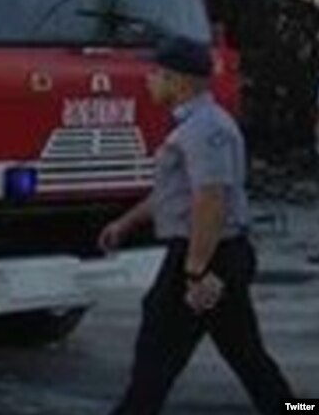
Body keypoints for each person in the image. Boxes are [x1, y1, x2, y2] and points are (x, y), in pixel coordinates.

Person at [100, 36, 296, 414]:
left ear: (179, 81)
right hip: (215, 257)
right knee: (246, 356)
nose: (148, 81)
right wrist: (125, 223)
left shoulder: (204, 130)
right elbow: (177, 194)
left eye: (155, 74)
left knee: (158, 351)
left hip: (206, 257)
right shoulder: (194, 126)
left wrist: (195, 270)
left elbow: (210, 201)